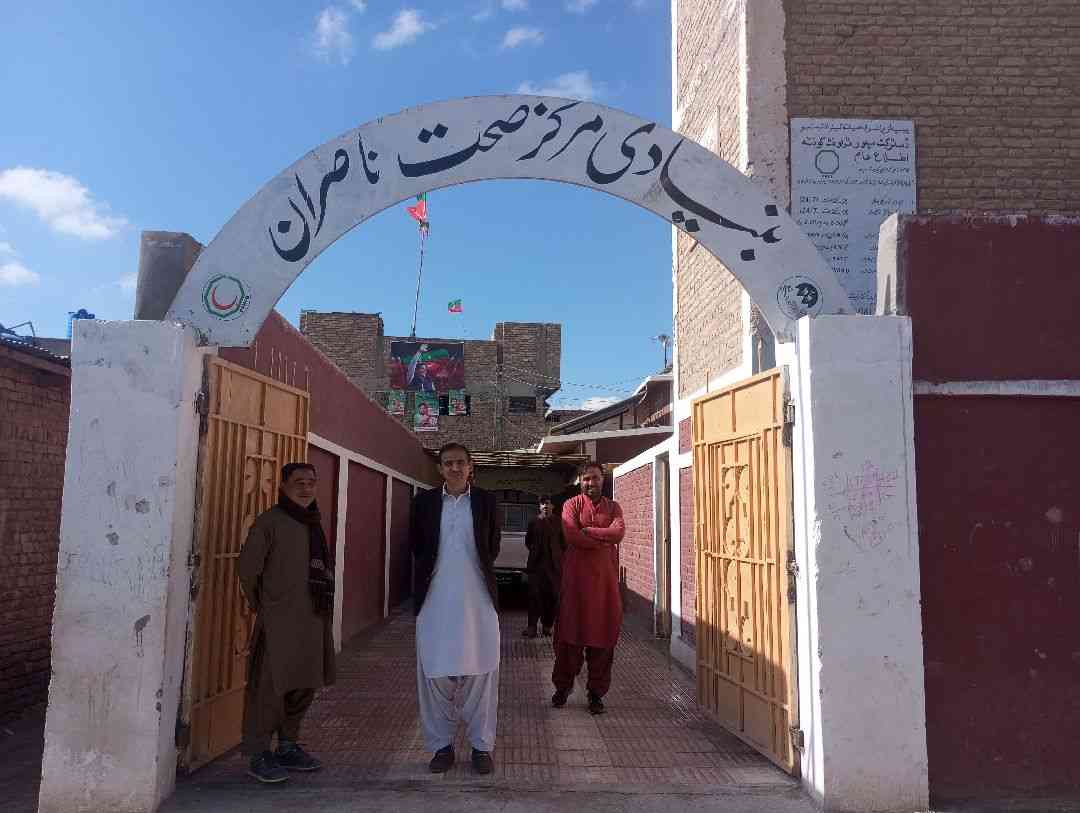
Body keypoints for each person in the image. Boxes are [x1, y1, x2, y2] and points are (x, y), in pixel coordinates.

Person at [237, 462, 336, 784]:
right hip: (279, 621)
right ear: (283, 486)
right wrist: (267, 606)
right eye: (298, 482)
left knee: (303, 685)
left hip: (313, 619)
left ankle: (288, 746)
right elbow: (248, 570)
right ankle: (258, 753)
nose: (306, 488)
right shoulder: (270, 522)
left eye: (311, 482)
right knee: (269, 688)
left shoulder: (312, 521)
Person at [411, 442, 501, 775]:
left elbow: (492, 546)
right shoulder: (423, 503)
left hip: (478, 601)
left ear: (470, 465)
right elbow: (418, 548)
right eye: (448, 463)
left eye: (460, 462)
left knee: (482, 673)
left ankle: (482, 747)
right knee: (434, 675)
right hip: (435, 601)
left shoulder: (486, 502)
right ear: (440, 468)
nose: (454, 468)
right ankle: (441, 747)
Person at [551, 461, 625, 715]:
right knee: (569, 640)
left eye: (595, 478)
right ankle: (562, 688)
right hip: (576, 586)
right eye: (586, 479)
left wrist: (590, 531)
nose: (590, 483)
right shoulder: (571, 505)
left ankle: (596, 694)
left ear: (603, 479)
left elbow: (618, 533)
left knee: (603, 641)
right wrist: (603, 538)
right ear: (579, 482)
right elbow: (572, 535)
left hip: (605, 588)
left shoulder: (613, 507)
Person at [522, 496, 564, 639]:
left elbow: (564, 543)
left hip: (553, 567)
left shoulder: (559, 522)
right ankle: (532, 627)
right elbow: (528, 541)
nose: (545, 506)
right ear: (539, 507)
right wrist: (536, 552)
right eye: (542, 504)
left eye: (548, 503)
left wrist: (557, 557)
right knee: (534, 596)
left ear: (553, 506)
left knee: (553, 597)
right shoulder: (533, 522)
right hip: (537, 567)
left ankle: (547, 626)